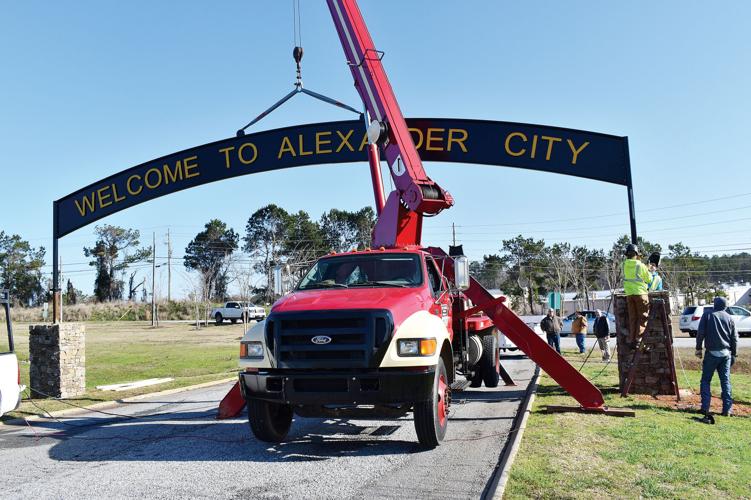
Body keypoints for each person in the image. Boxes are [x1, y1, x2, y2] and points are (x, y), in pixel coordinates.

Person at [695, 297, 738, 421]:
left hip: (711, 354)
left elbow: (700, 333)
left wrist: (698, 349)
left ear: (715, 305)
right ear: (725, 306)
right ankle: (727, 410)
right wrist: (734, 354)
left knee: (706, 380)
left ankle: (705, 407)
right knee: (725, 381)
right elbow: (734, 338)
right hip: (726, 355)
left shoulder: (707, 315)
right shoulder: (730, 318)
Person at [622, 244, 651, 343]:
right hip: (640, 293)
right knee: (643, 317)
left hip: (629, 294)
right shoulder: (640, 265)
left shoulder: (624, 264)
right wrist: (648, 269)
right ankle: (638, 339)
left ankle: (632, 339)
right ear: (636, 254)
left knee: (633, 318)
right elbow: (649, 279)